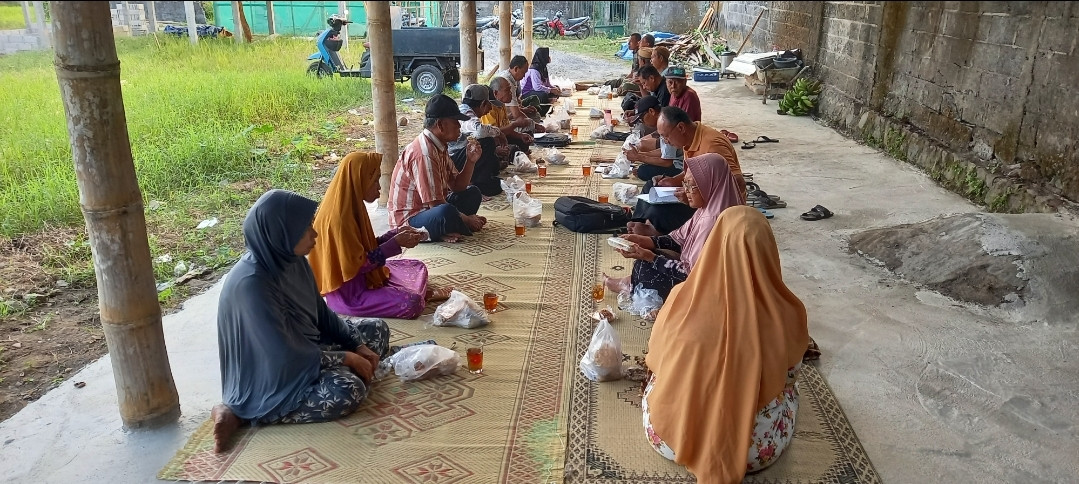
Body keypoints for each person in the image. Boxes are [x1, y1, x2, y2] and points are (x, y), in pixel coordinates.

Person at [212, 189, 391, 454]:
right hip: (271, 375)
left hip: (306, 347)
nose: (314, 234)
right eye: (306, 227)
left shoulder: (293, 261)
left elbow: (322, 315)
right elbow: (282, 354)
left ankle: (352, 363)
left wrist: (356, 345)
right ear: (280, 232)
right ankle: (242, 414)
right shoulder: (252, 284)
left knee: (376, 329)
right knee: (347, 391)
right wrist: (347, 358)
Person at [642, 206, 810, 483]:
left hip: (670, 440)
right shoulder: (787, 311)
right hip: (755, 450)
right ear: (768, 251)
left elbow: (657, 361)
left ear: (714, 244)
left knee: (662, 377)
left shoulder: (681, 300)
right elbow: (790, 377)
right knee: (790, 390)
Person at [308, 152, 448, 320]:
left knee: (416, 266)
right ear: (359, 180)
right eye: (375, 180)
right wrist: (394, 243)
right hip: (351, 296)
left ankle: (413, 291)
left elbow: (362, 248)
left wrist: (395, 234)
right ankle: (420, 294)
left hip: (364, 279)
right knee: (413, 302)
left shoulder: (351, 206)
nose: (379, 187)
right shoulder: (339, 219)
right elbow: (357, 265)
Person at [607, 153, 743, 300]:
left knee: (646, 267)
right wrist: (643, 241)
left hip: (708, 289)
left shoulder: (712, 220)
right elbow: (678, 238)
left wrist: (649, 257)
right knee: (649, 256)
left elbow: (692, 274)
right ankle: (632, 283)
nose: (686, 191)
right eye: (685, 184)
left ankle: (630, 286)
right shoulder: (713, 206)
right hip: (700, 276)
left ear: (709, 184)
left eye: (692, 186)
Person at [388, 94, 487, 243]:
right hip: (410, 221)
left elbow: (457, 186)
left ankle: (445, 228)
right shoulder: (424, 153)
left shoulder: (439, 145)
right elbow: (435, 204)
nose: (460, 127)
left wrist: (470, 161)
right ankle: (442, 229)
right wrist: (467, 219)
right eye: (455, 122)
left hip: (429, 210)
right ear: (440, 125)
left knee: (472, 193)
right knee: (446, 212)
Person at [655, 106, 744, 201]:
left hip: (720, 206)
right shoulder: (689, 139)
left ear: (681, 128)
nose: (666, 141)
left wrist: (695, 197)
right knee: (652, 189)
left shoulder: (712, 145)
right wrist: (673, 181)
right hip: (698, 199)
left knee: (658, 211)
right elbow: (693, 173)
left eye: (666, 136)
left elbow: (738, 182)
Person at [451, 84, 510, 196]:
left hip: (456, 156)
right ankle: (481, 184)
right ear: (483, 104)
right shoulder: (465, 113)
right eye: (489, 106)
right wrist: (499, 132)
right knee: (487, 141)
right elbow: (480, 132)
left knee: (488, 147)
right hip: (452, 161)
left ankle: (486, 177)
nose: (489, 110)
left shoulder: (466, 111)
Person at [625, 96, 683, 182]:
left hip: (681, 167)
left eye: (642, 119)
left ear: (651, 111)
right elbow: (663, 151)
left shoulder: (666, 124)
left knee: (643, 171)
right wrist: (641, 154)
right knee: (644, 166)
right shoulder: (665, 119)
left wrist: (639, 157)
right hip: (676, 161)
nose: (643, 122)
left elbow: (667, 162)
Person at [483, 75, 534, 154]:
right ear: (496, 93)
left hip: (502, 137)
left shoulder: (501, 104)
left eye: (510, 90)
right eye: (507, 90)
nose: (510, 93)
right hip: (492, 141)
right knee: (513, 149)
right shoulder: (488, 109)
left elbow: (507, 130)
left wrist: (520, 135)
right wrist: (515, 124)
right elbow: (493, 134)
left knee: (524, 139)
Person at [497, 55, 545, 129]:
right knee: (530, 124)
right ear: (516, 69)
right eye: (523, 73)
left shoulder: (513, 78)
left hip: (508, 113)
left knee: (534, 116)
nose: (524, 76)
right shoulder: (507, 82)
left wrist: (523, 109)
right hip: (505, 118)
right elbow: (516, 114)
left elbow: (515, 105)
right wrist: (535, 126)